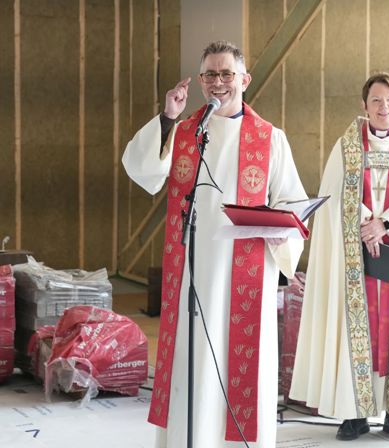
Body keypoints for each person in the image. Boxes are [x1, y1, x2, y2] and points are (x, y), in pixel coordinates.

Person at [122, 40, 307, 447]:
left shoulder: (270, 138)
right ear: (201, 80)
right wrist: (168, 117)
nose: (218, 82)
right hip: (191, 271)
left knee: (235, 362)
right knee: (193, 361)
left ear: (245, 79)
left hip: (246, 276)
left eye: (226, 74)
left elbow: (292, 201)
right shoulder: (186, 132)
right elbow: (144, 170)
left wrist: (282, 229)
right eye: (210, 74)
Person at [288, 72, 389, 442]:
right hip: (355, 259)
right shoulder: (346, 145)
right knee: (354, 328)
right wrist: (365, 222)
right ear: (364, 105)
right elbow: (333, 194)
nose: (384, 107)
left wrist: (386, 223)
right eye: (376, 100)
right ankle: (354, 413)